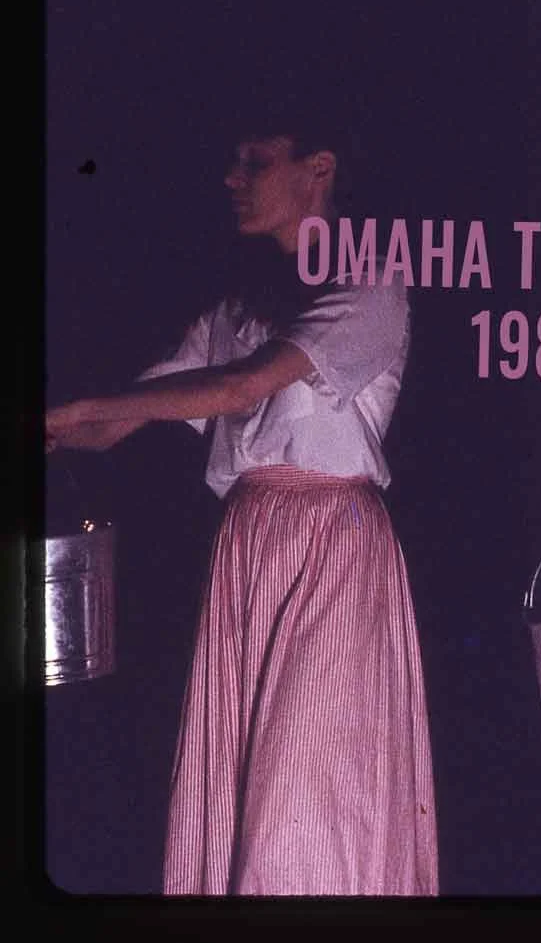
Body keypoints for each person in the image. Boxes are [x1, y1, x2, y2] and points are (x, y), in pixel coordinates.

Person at [44, 108, 439, 896]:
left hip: (332, 541)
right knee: (243, 789)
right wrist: (57, 426)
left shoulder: (370, 287)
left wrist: (82, 408)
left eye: (254, 162)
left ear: (318, 170)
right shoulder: (237, 312)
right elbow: (125, 416)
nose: (231, 179)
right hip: (249, 541)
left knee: (305, 806)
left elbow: (242, 386)